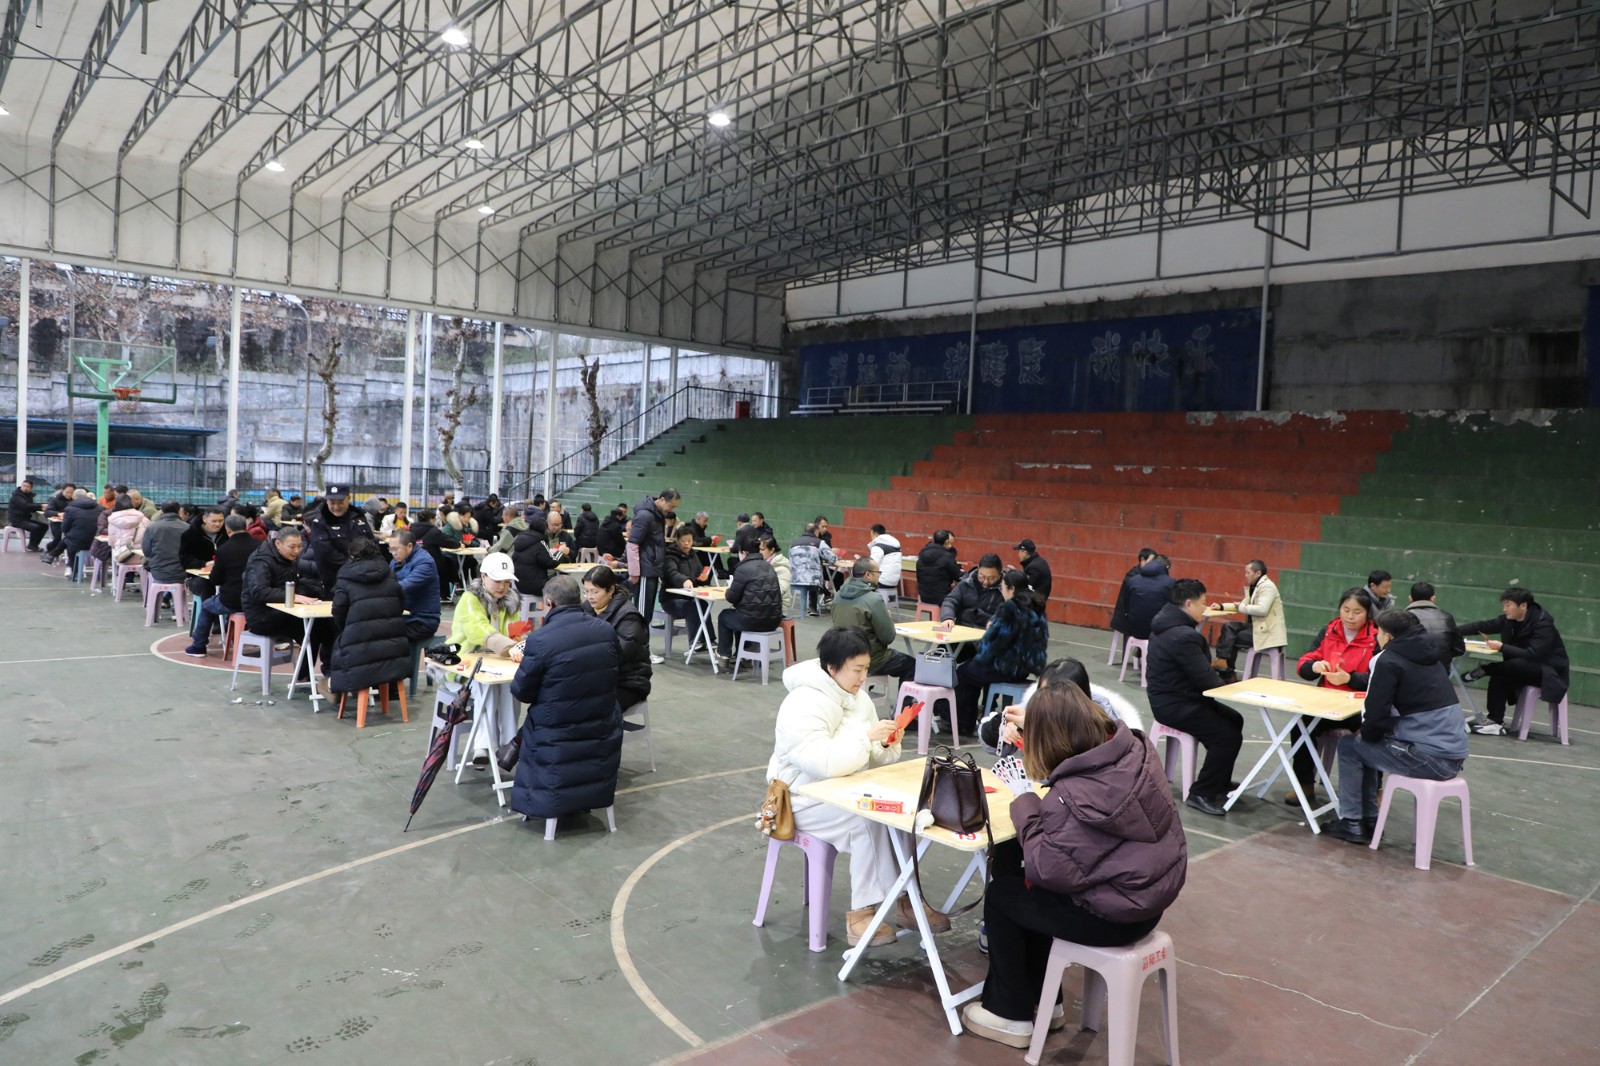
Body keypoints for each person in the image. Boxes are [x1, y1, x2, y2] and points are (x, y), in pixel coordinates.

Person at [962, 684, 1186, 1049]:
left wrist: (1025, 800)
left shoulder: (1074, 795)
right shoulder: (1135, 750)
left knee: (1005, 894)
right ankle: (1047, 1003)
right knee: (1033, 892)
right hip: (1148, 901)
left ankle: (1009, 1014)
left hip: (1112, 916)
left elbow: (1045, 868)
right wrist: (1039, 722)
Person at [767, 628, 945, 947]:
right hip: (800, 798)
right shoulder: (802, 702)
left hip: (845, 789)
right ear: (832, 667)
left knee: (901, 813)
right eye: (857, 669)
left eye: (866, 669)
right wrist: (867, 738)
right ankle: (862, 913)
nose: (864, 677)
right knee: (867, 820)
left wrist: (885, 743)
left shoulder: (858, 697)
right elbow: (822, 763)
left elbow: (870, 758)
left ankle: (906, 900)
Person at [1320, 609, 1470, 844]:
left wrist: (1366, 733)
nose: (1376, 636)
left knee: (1351, 745)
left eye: (1378, 632)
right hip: (1453, 757)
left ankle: (1352, 821)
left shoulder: (1388, 660)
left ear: (1388, 636)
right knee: (1367, 743)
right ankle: (1369, 820)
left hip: (1431, 760)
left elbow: (1375, 717)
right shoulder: (1431, 656)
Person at [508, 576, 624, 822]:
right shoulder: (605, 630)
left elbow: (522, 692)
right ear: (580, 598)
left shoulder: (541, 640)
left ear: (548, 603)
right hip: (601, 726)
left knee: (529, 729)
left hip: (556, 732)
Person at [1146, 578, 1240, 816]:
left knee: (1234, 720)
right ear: (1188, 604)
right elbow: (1206, 680)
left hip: (1170, 697)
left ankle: (1218, 780)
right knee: (1226, 735)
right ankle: (1201, 793)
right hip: (1176, 704)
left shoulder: (1164, 623)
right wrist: (1229, 684)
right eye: (1203, 603)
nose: (1205, 608)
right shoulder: (1184, 636)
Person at [1293, 588, 1378, 801]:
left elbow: (1380, 678)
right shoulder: (1329, 631)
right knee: (1300, 726)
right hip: (1328, 704)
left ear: (1368, 613)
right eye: (1346, 610)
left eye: (1357, 612)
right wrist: (1313, 667)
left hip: (1359, 708)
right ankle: (1304, 784)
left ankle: (1374, 790)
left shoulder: (1376, 637)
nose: (1350, 616)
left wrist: (1350, 679)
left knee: (1373, 732)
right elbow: (1305, 662)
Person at [1459, 588, 1571, 733]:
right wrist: (1453, 631)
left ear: (1523, 605)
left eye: (1508, 605)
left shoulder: (1543, 625)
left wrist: (1502, 647)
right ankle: (1495, 722)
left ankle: (1487, 669)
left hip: (1548, 673)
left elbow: (1532, 654)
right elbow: (1482, 626)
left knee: (1514, 665)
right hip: (1517, 667)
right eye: (1504, 605)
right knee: (1501, 674)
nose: (1505, 609)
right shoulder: (1508, 620)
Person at [983, 657, 1145, 755]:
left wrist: (1036, 729)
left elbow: (1076, 766)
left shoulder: (1104, 724)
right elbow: (992, 747)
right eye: (1042, 692)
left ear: (1076, 697)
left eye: (1052, 695)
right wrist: (1001, 726)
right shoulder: (1036, 704)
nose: (1044, 700)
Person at [954, 570, 1050, 735]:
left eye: (1003, 587)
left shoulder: (1009, 608)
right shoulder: (1037, 606)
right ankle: (984, 711)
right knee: (975, 671)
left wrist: (990, 629)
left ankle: (964, 724)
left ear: (1012, 589)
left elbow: (994, 643)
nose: (1002, 591)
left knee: (964, 672)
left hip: (1006, 668)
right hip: (1025, 668)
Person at [241, 527, 332, 681]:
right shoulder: (260, 561)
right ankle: (304, 677)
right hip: (261, 616)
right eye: (292, 547)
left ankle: (328, 674)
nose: (296, 551)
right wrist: (293, 596)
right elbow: (260, 591)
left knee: (326, 625)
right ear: (278, 544)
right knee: (313, 629)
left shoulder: (287, 557)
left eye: (299, 546)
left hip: (284, 611)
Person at [327, 536, 410, 702]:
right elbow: (400, 605)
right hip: (393, 647)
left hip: (359, 649)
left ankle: (333, 687)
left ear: (352, 555)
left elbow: (338, 612)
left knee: (336, 646)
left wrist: (350, 628)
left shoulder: (345, 576)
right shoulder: (389, 572)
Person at [831, 558, 916, 687]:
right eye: (878, 573)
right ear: (868, 574)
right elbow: (888, 637)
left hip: (841, 654)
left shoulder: (838, 595)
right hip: (870, 658)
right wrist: (887, 617)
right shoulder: (873, 599)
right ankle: (904, 701)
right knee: (911, 665)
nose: (879, 576)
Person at [184, 515, 257, 656]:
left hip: (232, 600)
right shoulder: (260, 546)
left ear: (228, 530)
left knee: (206, 606)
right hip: (257, 598)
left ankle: (199, 646)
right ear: (247, 527)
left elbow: (215, 580)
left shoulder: (224, 550)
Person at [582, 565, 651, 712]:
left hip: (628, 682)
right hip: (598, 675)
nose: (590, 596)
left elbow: (618, 653)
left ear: (611, 590)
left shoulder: (629, 617)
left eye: (595, 592)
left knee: (589, 708)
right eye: (586, 591)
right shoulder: (586, 608)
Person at [1211, 559, 1286, 677]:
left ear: (1258, 573)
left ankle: (1227, 672)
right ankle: (1223, 662)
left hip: (1268, 632)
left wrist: (1241, 607)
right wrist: (1221, 606)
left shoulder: (1268, 587)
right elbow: (1241, 605)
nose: (1245, 575)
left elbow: (1262, 609)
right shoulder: (1255, 586)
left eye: (1248, 573)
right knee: (1229, 626)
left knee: (1230, 638)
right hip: (1257, 627)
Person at [717, 543, 785, 670]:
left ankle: (723, 656)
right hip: (774, 620)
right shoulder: (769, 566)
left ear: (744, 553)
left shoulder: (743, 569)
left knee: (724, 616)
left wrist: (727, 591)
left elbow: (731, 597)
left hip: (753, 621)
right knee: (741, 614)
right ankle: (745, 656)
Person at [450, 551, 524, 661]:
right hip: (464, 658)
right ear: (483, 576)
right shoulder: (470, 599)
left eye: (507, 582)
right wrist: (509, 647)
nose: (502, 587)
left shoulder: (511, 603)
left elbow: (515, 634)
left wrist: (519, 647)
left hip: (499, 659)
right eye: (497, 581)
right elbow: (478, 629)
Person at [302, 484, 368, 593]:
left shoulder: (358, 517)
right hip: (336, 580)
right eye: (332, 503)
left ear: (348, 499)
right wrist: (355, 568)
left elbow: (370, 543)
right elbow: (327, 555)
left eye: (340, 502)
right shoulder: (320, 523)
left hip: (363, 575)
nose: (336, 507)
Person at [628, 488, 680, 622]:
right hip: (645, 571)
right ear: (662, 500)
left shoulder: (658, 516)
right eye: (671, 506)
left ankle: (643, 636)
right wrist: (634, 572)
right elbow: (632, 544)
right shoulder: (645, 516)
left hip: (652, 569)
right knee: (642, 615)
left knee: (647, 614)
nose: (672, 509)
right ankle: (639, 636)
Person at [662, 526, 715, 648]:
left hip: (689, 596)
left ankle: (709, 640)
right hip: (671, 599)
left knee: (703, 605)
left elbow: (699, 574)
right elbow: (672, 573)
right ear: (677, 540)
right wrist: (684, 580)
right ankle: (695, 642)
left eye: (689, 541)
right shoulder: (670, 556)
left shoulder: (694, 555)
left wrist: (702, 578)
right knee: (692, 607)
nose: (686, 544)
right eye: (683, 540)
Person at [388, 528, 442, 649]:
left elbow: (403, 586)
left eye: (396, 549)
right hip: (406, 616)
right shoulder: (397, 560)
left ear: (409, 546)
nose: (393, 553)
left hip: (423, 620)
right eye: (390, 549)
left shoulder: (425, 562)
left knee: (383, 635)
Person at [940, 553, 1005, 632]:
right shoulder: (966, 582)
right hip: (962, 630)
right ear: (978, 570)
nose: (986, 582)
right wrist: (947, 617)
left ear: (1000, 574)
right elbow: (951, 601)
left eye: (992, 578)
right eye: (982, 576)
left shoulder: (1006, 590)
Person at [789, 522, 837, 617]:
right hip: (813, 581)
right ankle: (814, 607)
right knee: (813, 575)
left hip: (794, 579)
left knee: (810, 573)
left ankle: (812, 607)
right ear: (816, 531)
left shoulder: (793, 544)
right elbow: (832, 558)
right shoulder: (819, 543)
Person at [1122, 554, 1174, 642]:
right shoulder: (1170, 583)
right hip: (1156, 630)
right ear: (1167, 567)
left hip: (1133, 628)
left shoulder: (1132, 580)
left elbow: (1126, 604)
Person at [1108, 547, 1157, 637]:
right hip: (1127, 617)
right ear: (1142, 560)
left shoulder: (1146, 575)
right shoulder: (1132, 576)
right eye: (1151, 561)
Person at [511, 515, 562, 600]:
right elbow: (552, 562)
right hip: (536, 585)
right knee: (561, 588)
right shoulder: (540, 542)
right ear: (544, 530)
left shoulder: (520, 540)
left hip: (519, 584)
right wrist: (561, 551)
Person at [141, 500, 188, 585]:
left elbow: (147, 552)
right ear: (178, 511)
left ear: (161, 511)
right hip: (183, 572)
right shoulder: (187, 527)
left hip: (158, 571)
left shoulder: (152, 527)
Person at [915, 530, 962, 609]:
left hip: (924, 596)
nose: (951, 545)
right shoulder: (947, 556)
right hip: (941, 597)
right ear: (946, 541)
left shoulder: (922, 554)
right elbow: (957, 576)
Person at [105, 493, 150, 565]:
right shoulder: (143, 519)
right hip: (141, 557)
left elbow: (111, 542)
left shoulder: (113, 521)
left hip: (123, 557)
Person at [7, 478, 47, 551]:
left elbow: (31, 508)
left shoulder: (29, 496)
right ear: (21, 486)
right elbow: (25, 506)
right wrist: (40, 506)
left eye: (28, 487)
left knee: (44, 526)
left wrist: (42, 509)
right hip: (17, 520)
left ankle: (34, 545)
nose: (25, 488)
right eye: (24, 486)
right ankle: (32, 546)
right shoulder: (17, 495)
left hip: (25, 519)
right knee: (35, 527)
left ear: (31, 488)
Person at [758, 533, 793, 616]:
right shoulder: (762, 564)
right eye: (758, 549)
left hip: (778, 610)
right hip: (764, 606)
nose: (759, 552)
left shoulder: (782, 569)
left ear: (772, 550)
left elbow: (777, 591)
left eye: (762, 550)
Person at [40, 480, 75, 561]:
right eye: (67, 492)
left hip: (70, 523)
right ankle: (50, 548)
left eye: (71, 493)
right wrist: (58, 513)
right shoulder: (55, 500)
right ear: (62, 490)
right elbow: (47, 512)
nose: (69, 494)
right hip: (57, 524)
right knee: (59, 536)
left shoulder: (74, 501)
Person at [867, 524, 902, 596]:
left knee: (861, 583)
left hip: (882, 581)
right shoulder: (895, 545)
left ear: (873, 533)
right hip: (894, 581)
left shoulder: (878, 547)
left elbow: (872, 565)